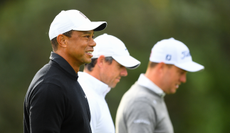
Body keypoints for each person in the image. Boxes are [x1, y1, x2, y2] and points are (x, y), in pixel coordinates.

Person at [23, 9, 107, 133]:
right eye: (86, 36)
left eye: (92, 37)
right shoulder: (49, 86)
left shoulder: (68, 80)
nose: (93, 43)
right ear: (62, 40)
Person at [115, 38, 204, 133]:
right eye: (180, 72)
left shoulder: (151, 97)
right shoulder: (142, 102)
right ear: (161, 67)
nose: (183, 79)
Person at [78, 33, 141, 133]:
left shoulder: (94, 94)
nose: (124, 73)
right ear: (101, 61)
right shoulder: (87, 97)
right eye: (120, 66)